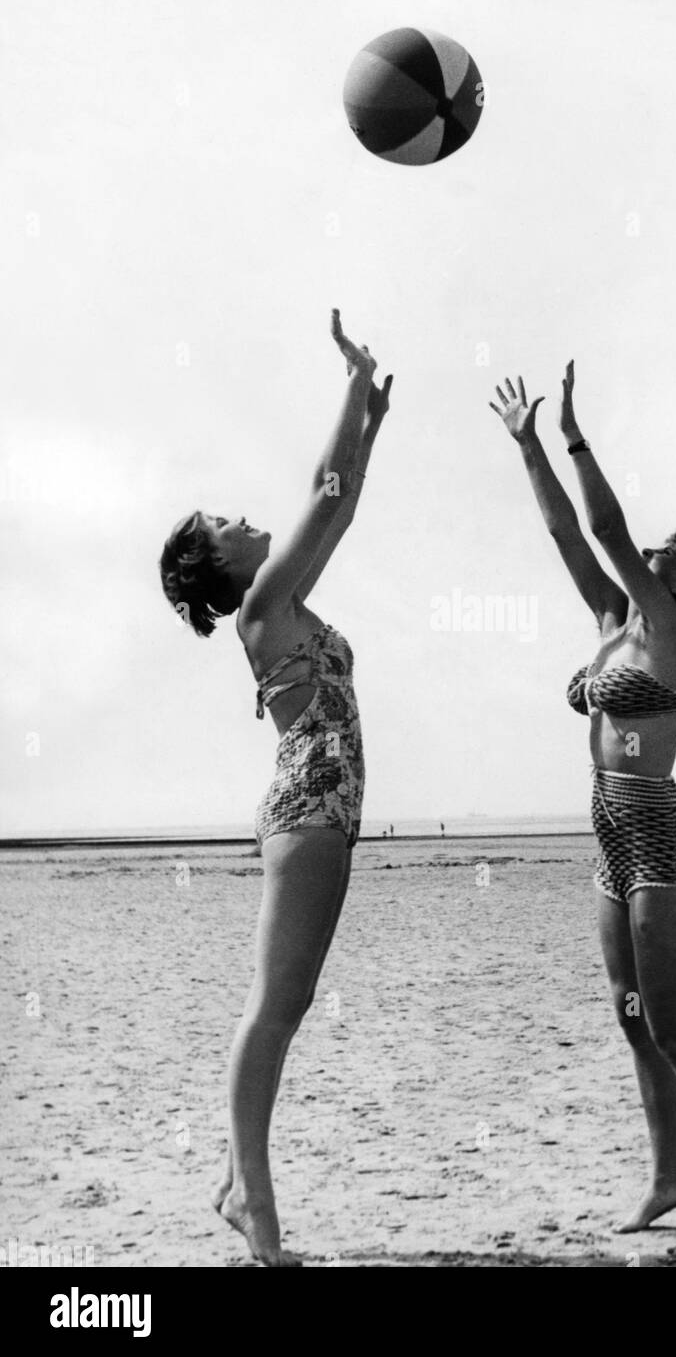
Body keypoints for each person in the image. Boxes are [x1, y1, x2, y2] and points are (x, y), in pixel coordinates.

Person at [490, 361, 676, 1259]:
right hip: (608, 839)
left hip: (659, 843)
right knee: (632, 1014)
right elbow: (572, 534)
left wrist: (573, 433)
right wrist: (527, 447)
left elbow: (605, 524)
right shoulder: (614, 618)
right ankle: (667, 1176)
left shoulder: (665, 630)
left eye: (663, 560)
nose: (645, 557)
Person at [159, 311, 391, 1265]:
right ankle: (250, 1198)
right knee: (276, 1008)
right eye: (225, 524)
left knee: (284, 1005)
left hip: (326, 812)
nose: (244, 518)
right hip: (306, 809)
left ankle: (233, 1181)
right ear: (217, 567)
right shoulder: (262, 607)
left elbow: (339, 500)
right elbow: (326, 500)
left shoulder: (282, 601)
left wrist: (369, 421)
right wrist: (351, 391)